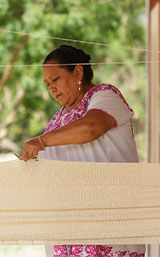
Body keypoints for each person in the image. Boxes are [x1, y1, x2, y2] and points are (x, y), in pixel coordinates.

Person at [21, 45, 145, 257]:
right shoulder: (57, 119)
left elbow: (91, 128)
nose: (51, 88)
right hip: (69, 227)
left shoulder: (104, 95)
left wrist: (41, 142)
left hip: (107, 218)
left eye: (56, 79)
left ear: (78, 72)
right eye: (47, 83)